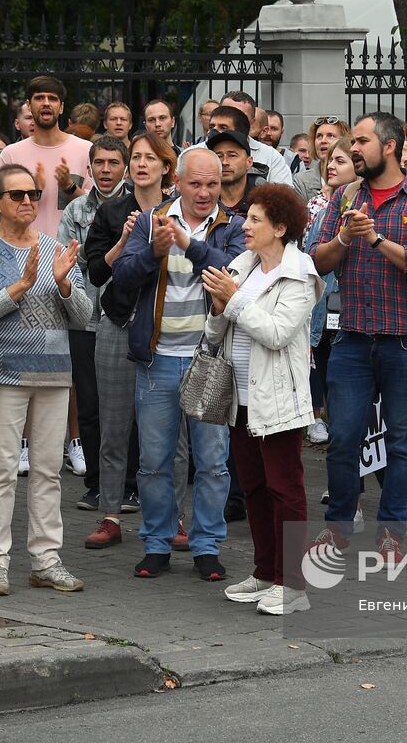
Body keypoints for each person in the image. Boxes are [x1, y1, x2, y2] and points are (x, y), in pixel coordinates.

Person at [308, 113, 407, 562]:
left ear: (389, 146)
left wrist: (376, 239)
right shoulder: (346, 195)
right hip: (351, 338)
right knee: (343, 436)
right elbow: (318, 261)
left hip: (406, 340)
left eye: (362, 141)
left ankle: (391, 534)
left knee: (403, 442)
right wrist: (347, 238)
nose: (353, 149)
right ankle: (339, 528)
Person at [0, 164, 92, 595]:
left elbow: (87, 317)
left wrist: (63, 285)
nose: (28, 201)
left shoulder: (56, 248)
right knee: (0, 470)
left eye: (33, 193)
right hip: (2, 374)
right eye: (16, 195)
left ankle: (46, 560)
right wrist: (20, 288)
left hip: (53, 374)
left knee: (49, 471)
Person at [113, 146, 246, 580]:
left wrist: (192, 246)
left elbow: (237, 275)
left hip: (208, 360)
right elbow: (123, 278)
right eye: (197, 184)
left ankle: (206, 546)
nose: (207, 192)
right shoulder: (153, 220)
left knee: (212, 461)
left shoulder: (232, 226)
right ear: (179, 182)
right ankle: (157, 543)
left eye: (214, 184)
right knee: (154, 461)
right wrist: (153, 251)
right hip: (159, 358)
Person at [203, 184, 321, 615]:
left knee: (284, 488)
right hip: (241, 397)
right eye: (245, 217)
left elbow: (275, 334)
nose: (244, 225)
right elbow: (216, 332)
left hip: (279, 400)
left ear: (281, 228)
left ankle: (293, 585)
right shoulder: (243, 265)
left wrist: (232, 301)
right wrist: (218, 308)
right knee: (252, 486)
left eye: (255, 220)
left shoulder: (300, 275)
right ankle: (265, 572)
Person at [81, 132, 177, 548]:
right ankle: (110, 515)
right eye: (134, 157)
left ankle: (174, 519)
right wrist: (123, 240)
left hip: (168, 330)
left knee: (172, 433)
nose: (140, 164)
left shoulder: (181, 211)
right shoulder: (111, 211)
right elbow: (96, 274)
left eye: (149, 158)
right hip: (118, 323)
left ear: (165, 166)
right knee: (114, 427)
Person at [57, 135, 129, 514]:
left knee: (126, 402)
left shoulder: (135, 205)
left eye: (113, 163)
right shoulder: (75, 211)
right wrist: (83, 306)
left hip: (124, 314)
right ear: (90, 167)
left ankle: (128, 484)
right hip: (85, 314)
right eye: (98, 163)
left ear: (125, 167)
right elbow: (72, 262)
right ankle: (96, 483)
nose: (105, 170)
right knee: (89, 402)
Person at [303, 137, 357, 444]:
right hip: (324, 319)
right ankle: (348, 490)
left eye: (341, 161)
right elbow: (311, 263)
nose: (331, 165)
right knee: (335, 408)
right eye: (330, 160)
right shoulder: (324, 213)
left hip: (356, 320)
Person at [0, 75, 92, 237]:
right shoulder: (11, 154)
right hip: (24, 251)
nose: (46, 103)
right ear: (29, 105)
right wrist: (34, 191)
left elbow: (96, 207)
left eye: (52, 99)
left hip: (71, 253)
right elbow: (3, 209)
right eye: (39, 98)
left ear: (61, 107)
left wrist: (70, 188)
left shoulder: (86, 149)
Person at [217, 92, 293, 184]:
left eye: (240, 117)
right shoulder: (197, 152)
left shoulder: (271, 157)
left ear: (252, 122)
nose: (232, 121)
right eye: (228, 115)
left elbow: (284, 195)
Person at [293, 116, 350, 201]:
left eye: (330, 136)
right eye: (319, 136)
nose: (323, 140)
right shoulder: (301, 180)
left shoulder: (355, 179)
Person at [207, 128, 258, 217]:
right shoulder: (203, 199)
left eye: (232, 155)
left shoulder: (263, 200)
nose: (224, 162)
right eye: (219, 156)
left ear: (249, 162)